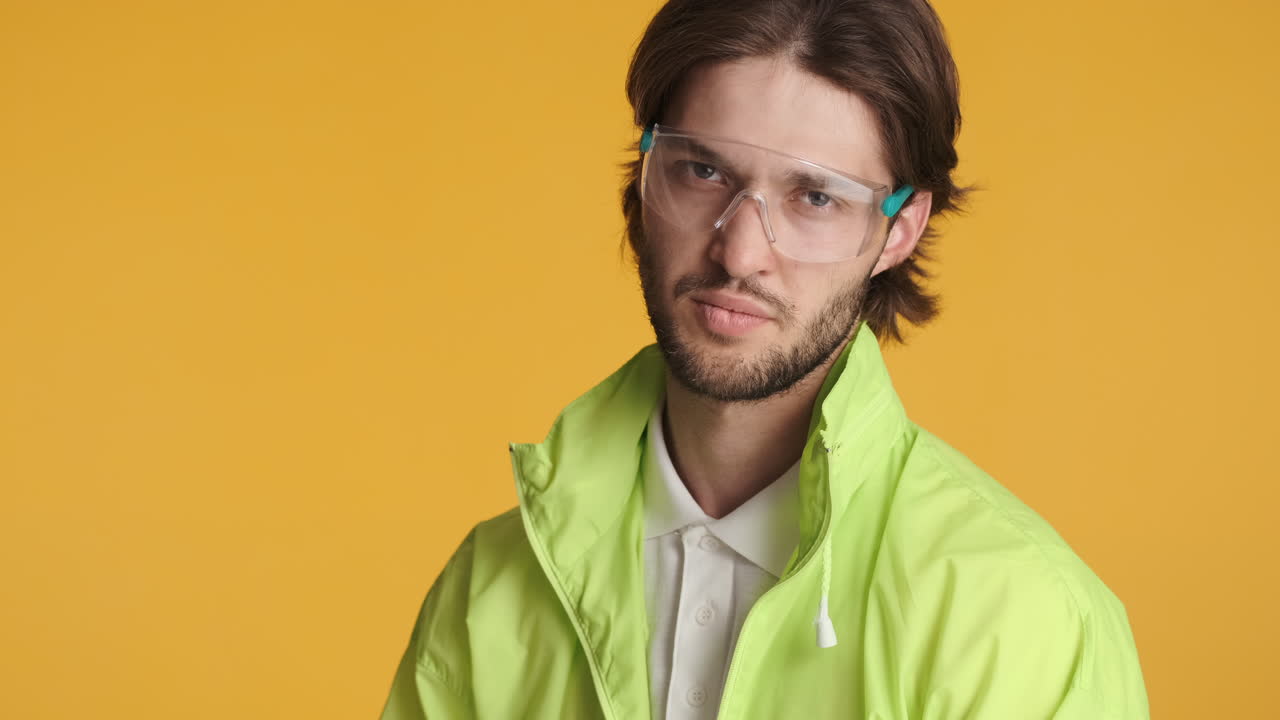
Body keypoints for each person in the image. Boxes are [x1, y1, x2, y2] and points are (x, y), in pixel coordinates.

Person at [379, 0, 1150, 717]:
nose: (741, 251)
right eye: (704, 170)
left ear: (901, 230)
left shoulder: (1021, 616)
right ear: (646, 171)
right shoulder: (491, 587)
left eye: (815, 197)